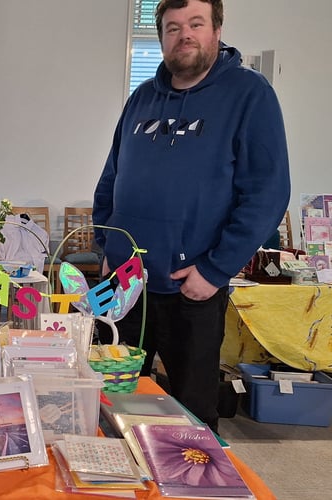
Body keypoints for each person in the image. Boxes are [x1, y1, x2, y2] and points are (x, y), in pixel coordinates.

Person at [92, 0, 290, 432]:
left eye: (195, 24)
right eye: (172, 27)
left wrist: (216, 269)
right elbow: (112, 177)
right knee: (111, 403)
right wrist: (106, 245)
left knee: (191, 417)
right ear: (161, 37)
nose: (184, 34)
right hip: (124, 287)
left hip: (191, 288)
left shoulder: (250, 95)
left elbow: (267, 193)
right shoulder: (143, 97)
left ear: (216, 30)